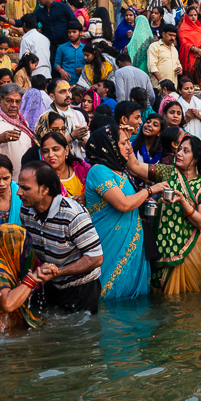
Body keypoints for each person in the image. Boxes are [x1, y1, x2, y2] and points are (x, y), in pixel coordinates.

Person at [124, 136, 201, 293]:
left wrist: (182, 201)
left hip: (190, 246)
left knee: (190, 301)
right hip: (163, 243)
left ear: (197, 158)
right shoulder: (167, 172)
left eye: (186, 151)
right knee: (160, 297)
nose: (179, 153)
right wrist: (125, 139)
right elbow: (134, 165)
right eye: (179, 149)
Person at [82, 124, 156, 300]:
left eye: (128, 142)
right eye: (123, 143)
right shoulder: (98, 171)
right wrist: (150, 191)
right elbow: (123, 204)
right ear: (110, 147)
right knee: (109, 296)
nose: (129, 147)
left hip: (132, 240)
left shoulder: (121, 171)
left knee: (135, 303)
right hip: (110, 242)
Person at [19, 161, 103, 313]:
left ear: (44, 189)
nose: (18, 192)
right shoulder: (26, 209)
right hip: (51, 283)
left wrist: (57, 271)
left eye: (25, 188)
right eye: (19, 186)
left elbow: (95, 258)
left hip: (81, 287)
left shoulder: (73, 214)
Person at [147, 23, 182, 89]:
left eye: (174, 36)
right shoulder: (154, 46)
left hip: (173, 87)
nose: (172, 38)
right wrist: (161, 81)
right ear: (163, 34)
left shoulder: (174, 49)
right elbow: (152, 66)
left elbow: (178, 63)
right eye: (170, 35)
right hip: (159, 87)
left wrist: (179, 69)